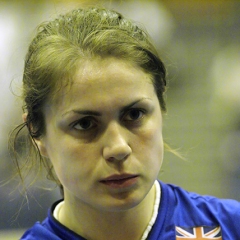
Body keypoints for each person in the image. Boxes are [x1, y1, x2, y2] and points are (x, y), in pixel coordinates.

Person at [10, 7, 240, 240]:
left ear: (161, 107)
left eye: (135, 114)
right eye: (85, 124)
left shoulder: (231, 226)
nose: (118, 148)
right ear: (36, 133)